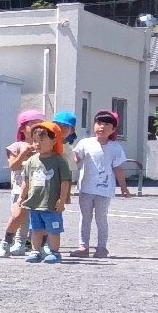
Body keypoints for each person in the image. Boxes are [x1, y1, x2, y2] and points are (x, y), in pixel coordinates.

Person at [69, 108, 130, 257]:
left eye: (106, 124)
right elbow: (74, 162)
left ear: (113, 129)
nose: (101, 127)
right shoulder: (85, 143)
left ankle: (102, 247)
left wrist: (124, 187)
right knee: (85, 218)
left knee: (101, 218)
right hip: (86, 188)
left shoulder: (116, 147)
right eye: (99, 123)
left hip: (105, 190)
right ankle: (83, 246)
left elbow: (118, 169)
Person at [20, 118, 73, 263]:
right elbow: (26, 180)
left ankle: (55, 252)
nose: (37, 144)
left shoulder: (59, 160)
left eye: (42, 140)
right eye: (35, 140)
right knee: (35, 229)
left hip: (51, 205)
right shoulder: (32, 160)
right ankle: (36, 251)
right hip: (35, 204)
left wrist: (62, 200)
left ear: (54, 141)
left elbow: (65, 182)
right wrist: (21, 197)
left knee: (53, 230)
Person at [0, 110, 46, 258]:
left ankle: (37, 245)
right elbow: (14, 166)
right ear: (22, 128)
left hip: (39, 188)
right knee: (19, 216)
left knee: (39, 217)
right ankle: (13, 241)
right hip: (20, 188)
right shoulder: (16, 146)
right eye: (32, 124)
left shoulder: (44, 146)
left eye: (40, 124)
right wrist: (23, 153)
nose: (36, 127)